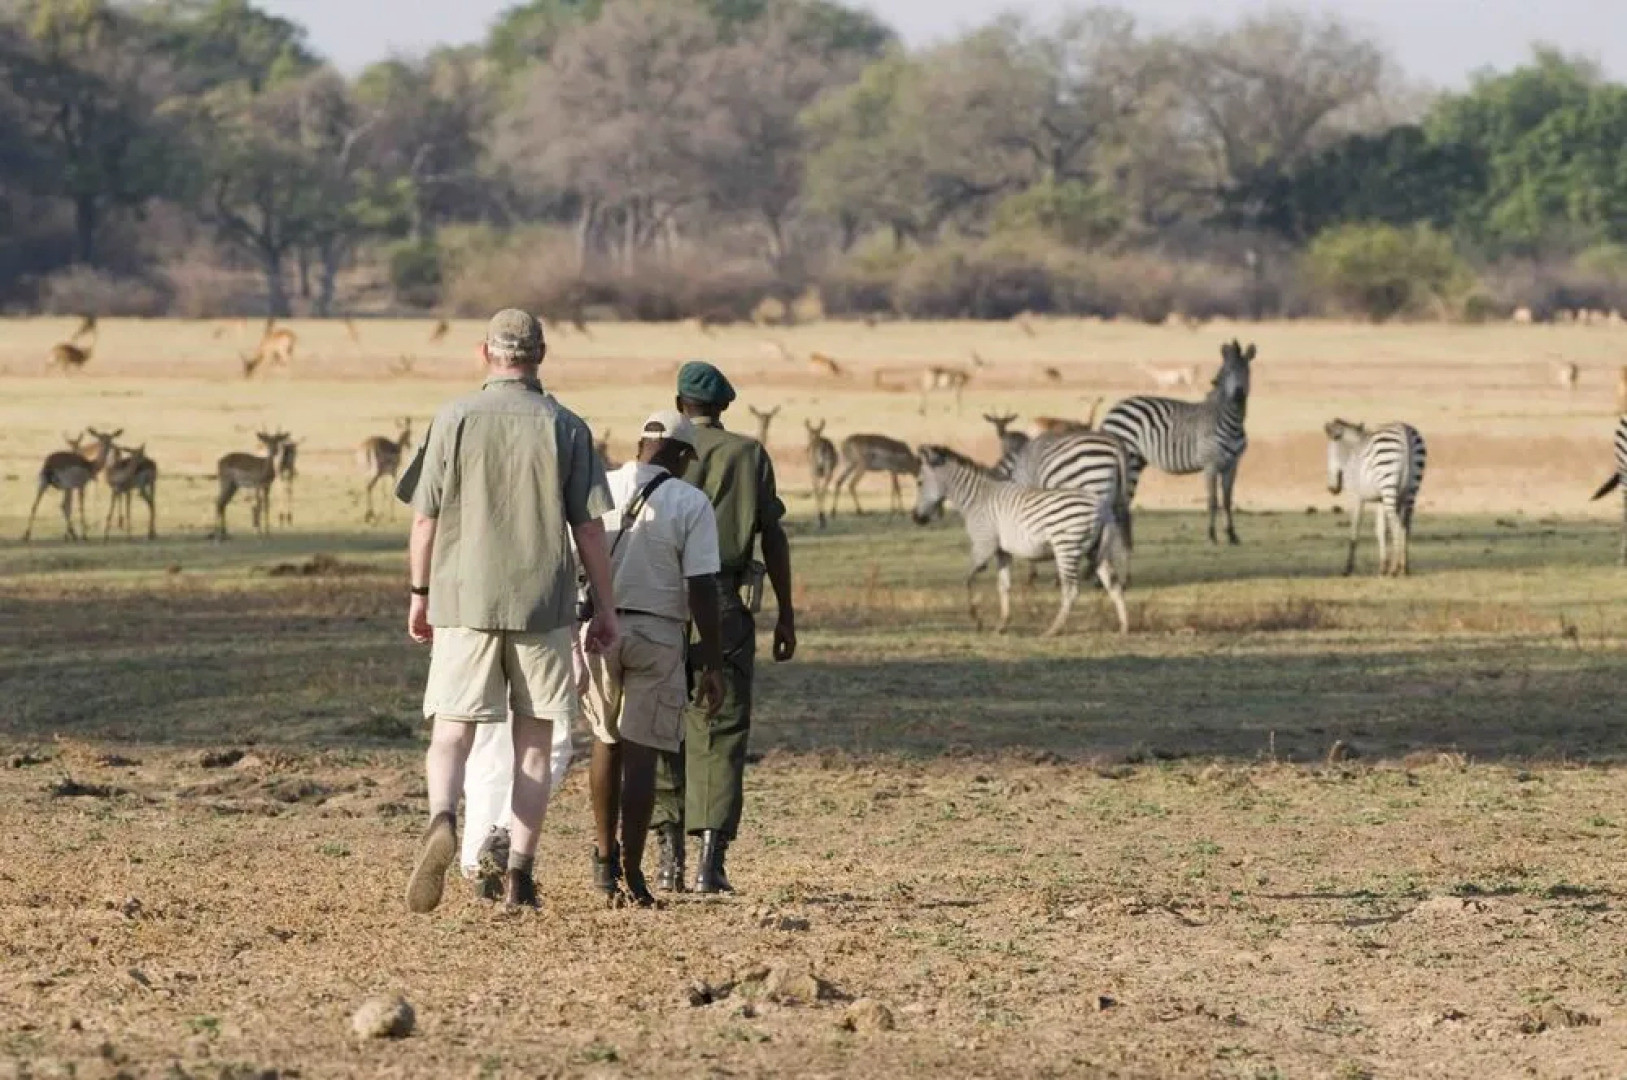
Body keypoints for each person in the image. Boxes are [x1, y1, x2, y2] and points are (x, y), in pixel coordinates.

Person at [396, 308, 617, 912]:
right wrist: (605, 608)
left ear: (485, 353)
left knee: (451, 732)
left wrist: (420, 595)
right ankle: (519, 874)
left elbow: (424, 517)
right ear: (540, 356)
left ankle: (443, 815)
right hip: (543, 604)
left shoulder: (455, 417)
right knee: (535, 742)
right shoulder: (567, 425)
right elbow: (590, 529)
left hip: (462, 599)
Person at [651, 361, 797, 894]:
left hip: (661, 598)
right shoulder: (748, 453)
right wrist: (786, 612)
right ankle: (710, 862)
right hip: (724, 597)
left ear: (678, 403)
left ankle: (667, 854)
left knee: (660, 721)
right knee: (722, 726)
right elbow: (772, 535)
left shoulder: (659, 451)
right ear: (724, 407)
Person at [581, 410, 726, 906]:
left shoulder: (599, 486)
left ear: (640, 444)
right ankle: (634, 871)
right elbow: (702, 586)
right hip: (659, 631)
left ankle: (603, 861)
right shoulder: (690, 501)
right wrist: (712, 659)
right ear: (683, 456)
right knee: (642, 751)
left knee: (605, 740)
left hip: (600, 627)